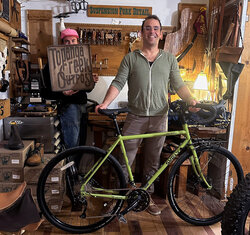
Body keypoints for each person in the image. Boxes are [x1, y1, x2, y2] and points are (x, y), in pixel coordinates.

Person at [95, 15, 198, 216]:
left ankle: (146, 197)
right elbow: (118, 83)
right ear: (142, 33)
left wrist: (191, 100)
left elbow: (179, 85)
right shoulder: (131, 58)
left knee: (152, 161)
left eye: (156, 28)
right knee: (125, 160)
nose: (152, 32)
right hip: (135, 117)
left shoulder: (169, 59)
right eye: (148, 28)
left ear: (160, 34)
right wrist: (105, 103)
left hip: (160, 118)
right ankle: (122, 199)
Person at [41, 28, 98, 155]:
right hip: (68, 108)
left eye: (73, 40)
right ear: (62, 44)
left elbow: (87, 89)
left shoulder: (82, 61)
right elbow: (44, 92)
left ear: (78, 42)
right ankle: (68, 174)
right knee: (72, 144)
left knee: (81, 143)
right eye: (67, 41)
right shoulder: (52, 63)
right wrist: (61, 93)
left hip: (82, 106)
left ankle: (74, 172)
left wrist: (92, 81)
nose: (71, 44)